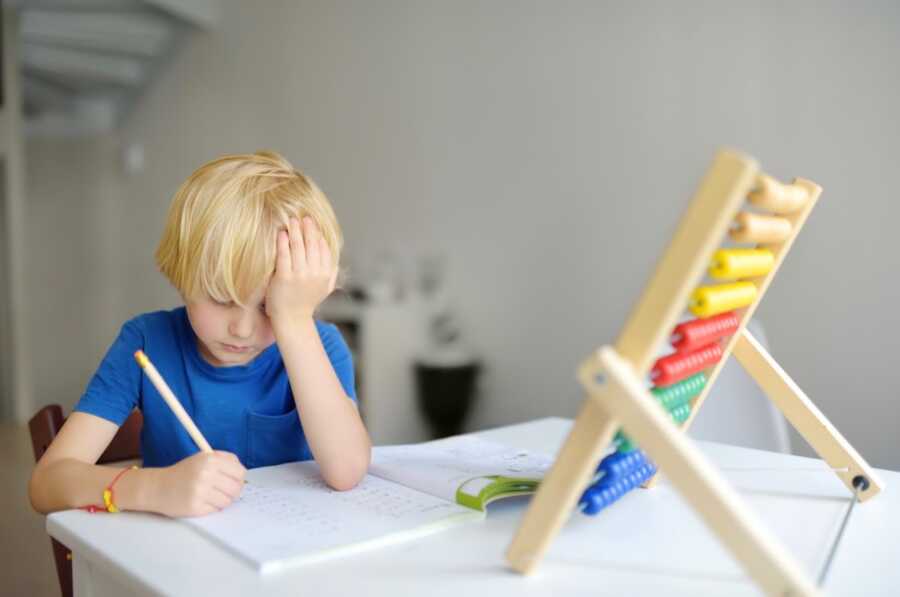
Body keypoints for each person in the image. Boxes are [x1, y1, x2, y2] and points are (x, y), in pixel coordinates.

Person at [29, 151, 371, 517]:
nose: (241, 329)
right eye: (222, 299)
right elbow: (46, 484)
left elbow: (346, 471)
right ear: (183, 276)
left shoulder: (320, 345)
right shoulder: (145, 342)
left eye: (269, 306)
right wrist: (152, 487)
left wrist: (295, 322)